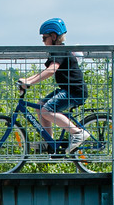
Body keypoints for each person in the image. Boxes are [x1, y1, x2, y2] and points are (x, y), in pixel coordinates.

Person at [18, 18, 89, 153]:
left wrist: (30, 82)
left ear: (54, 36)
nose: (43, 41)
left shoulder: (60, 51)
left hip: (74, 92)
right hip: (67, 90)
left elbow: (51, 70)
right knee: (39, 106)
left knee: (46, 110)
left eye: (45, 38)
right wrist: (28, 80)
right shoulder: (57, 51)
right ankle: (49, 142)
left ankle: (77, 133)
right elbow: (45, 70)